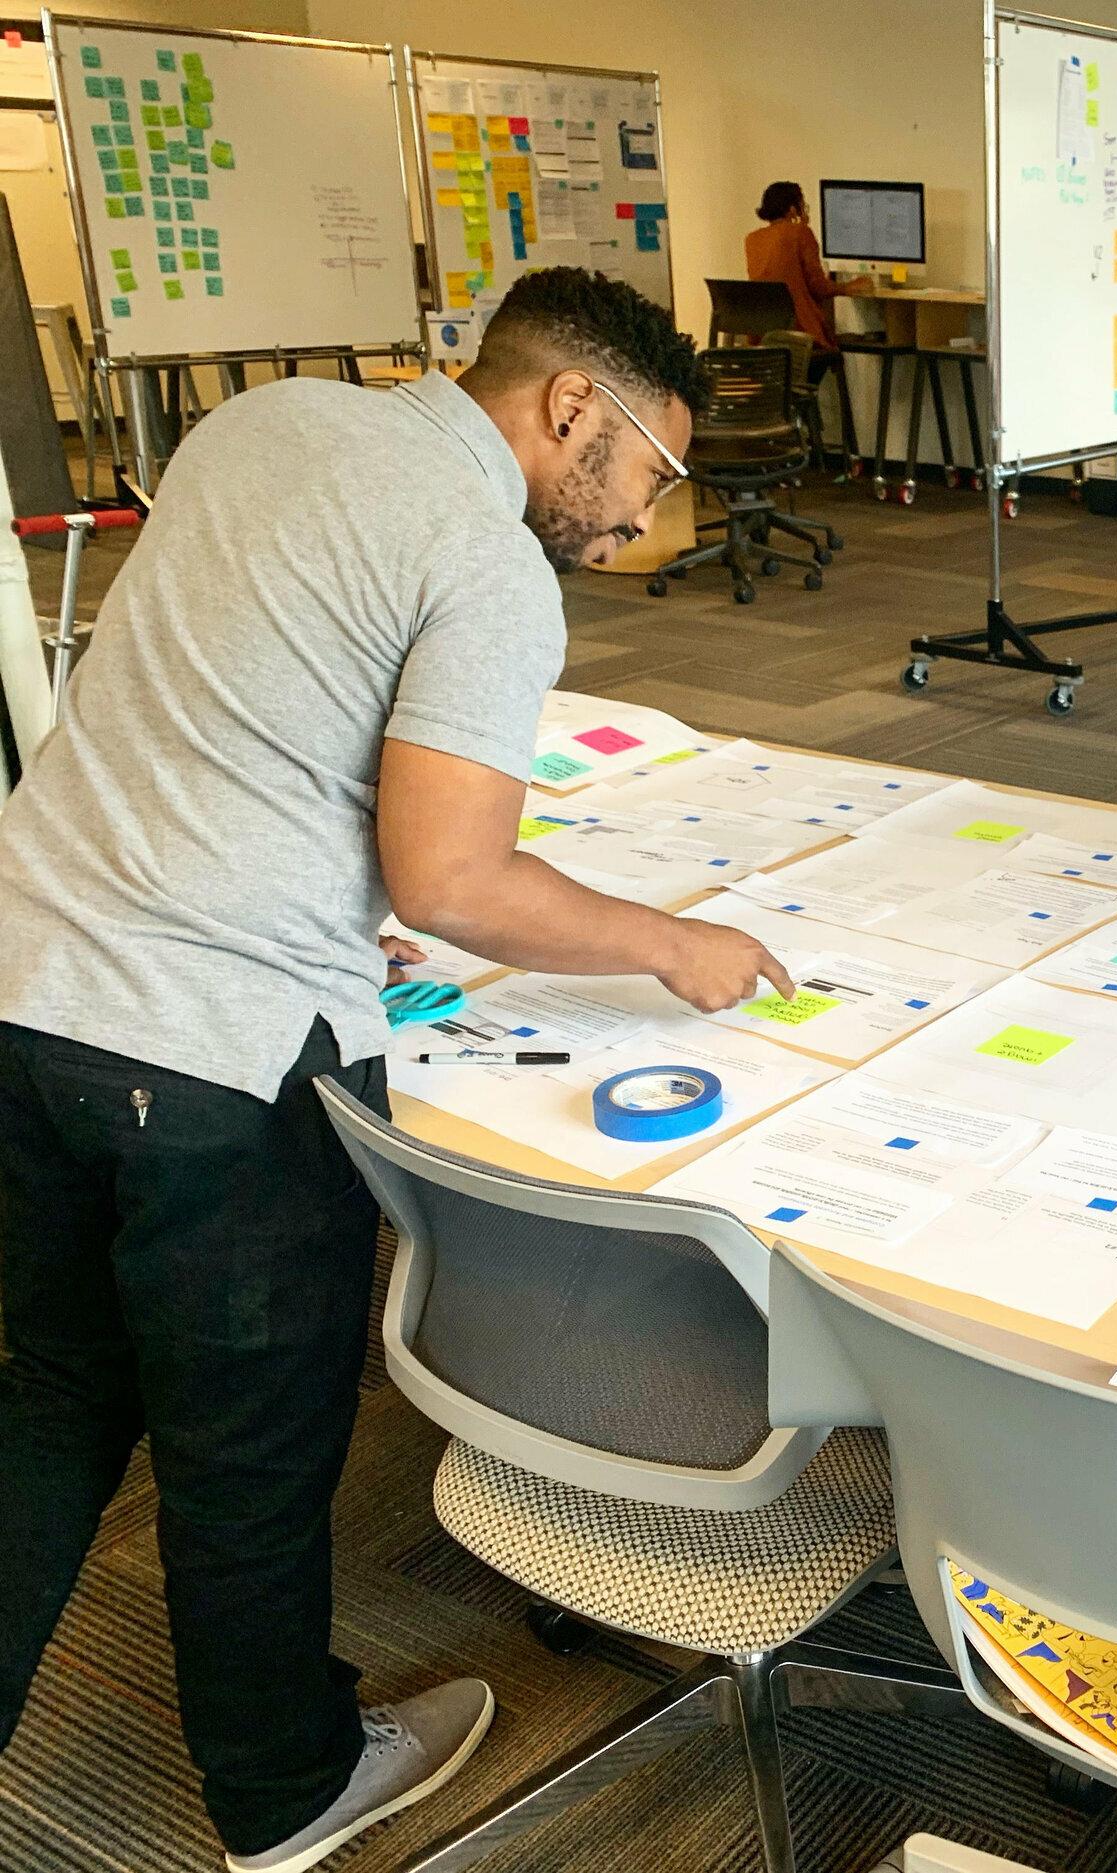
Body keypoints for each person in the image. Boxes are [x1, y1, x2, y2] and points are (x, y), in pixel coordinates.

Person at [0, 267, 793, 1873]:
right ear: (574, 407)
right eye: (648, 472)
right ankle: (286, 1792)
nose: (640, 521)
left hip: (32, 988)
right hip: (211, 1070)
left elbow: (230, 698)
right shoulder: (488, 566)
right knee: (249, 1452)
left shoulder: (255, 427)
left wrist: (301, 887)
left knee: (53, 1402)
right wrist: (664, 940)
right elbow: (452, 880)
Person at [744, 179, 870, 368]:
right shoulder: (800, 233)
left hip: (763, 335)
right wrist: (848, 287)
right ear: (793, 209)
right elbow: (818, 287)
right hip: (799, 333)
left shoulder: (752, 240)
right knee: (834, 353)